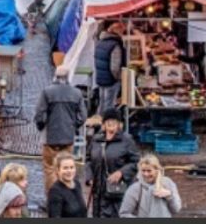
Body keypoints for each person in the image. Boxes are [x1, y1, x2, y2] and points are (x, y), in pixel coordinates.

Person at [34, 63, 87, 192]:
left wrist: (41, 126)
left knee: (50, 170)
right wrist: (74, 126)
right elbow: (83, 115)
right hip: (68, 138)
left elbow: (39, 114)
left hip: (50, 138)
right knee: (67, 168)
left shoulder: (47, 92)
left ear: (55, 76)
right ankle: (65, 197)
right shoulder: (76, 93)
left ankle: (52, 200)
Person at [86, 108, 140, 218]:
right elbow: (88, 159)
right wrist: (89, 176)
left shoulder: (126, 140)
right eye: (108, 121)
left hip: (117, 192)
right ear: (104, 124)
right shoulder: (96, 139)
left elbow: (136, 161)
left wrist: (121, 172)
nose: (111, 123)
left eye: (114, 121)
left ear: (119, 124)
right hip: (98, 192)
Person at [119, 153, 182, 218]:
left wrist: (169, 196)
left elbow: (176, 209)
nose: (146, 174)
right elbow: (124, 213)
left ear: (156, 170)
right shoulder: (135, 188)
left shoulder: (167, 183)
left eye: (149, 171)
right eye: (143, 171)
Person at [95, 22, 126, 115]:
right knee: (109, 104)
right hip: (111, 79)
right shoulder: (115, 45)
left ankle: (99, 121)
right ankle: (107, 123)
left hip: (101, 78)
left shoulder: (100, 42)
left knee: (102, 102)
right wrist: (119, 78)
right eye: (122, 31)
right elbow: (115, 66)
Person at [47, 150, 87, 218]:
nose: (69, 171)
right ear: (58, 170)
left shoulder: (77, 184)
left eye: (72, 167)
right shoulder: (55, 192)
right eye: (65, 168)